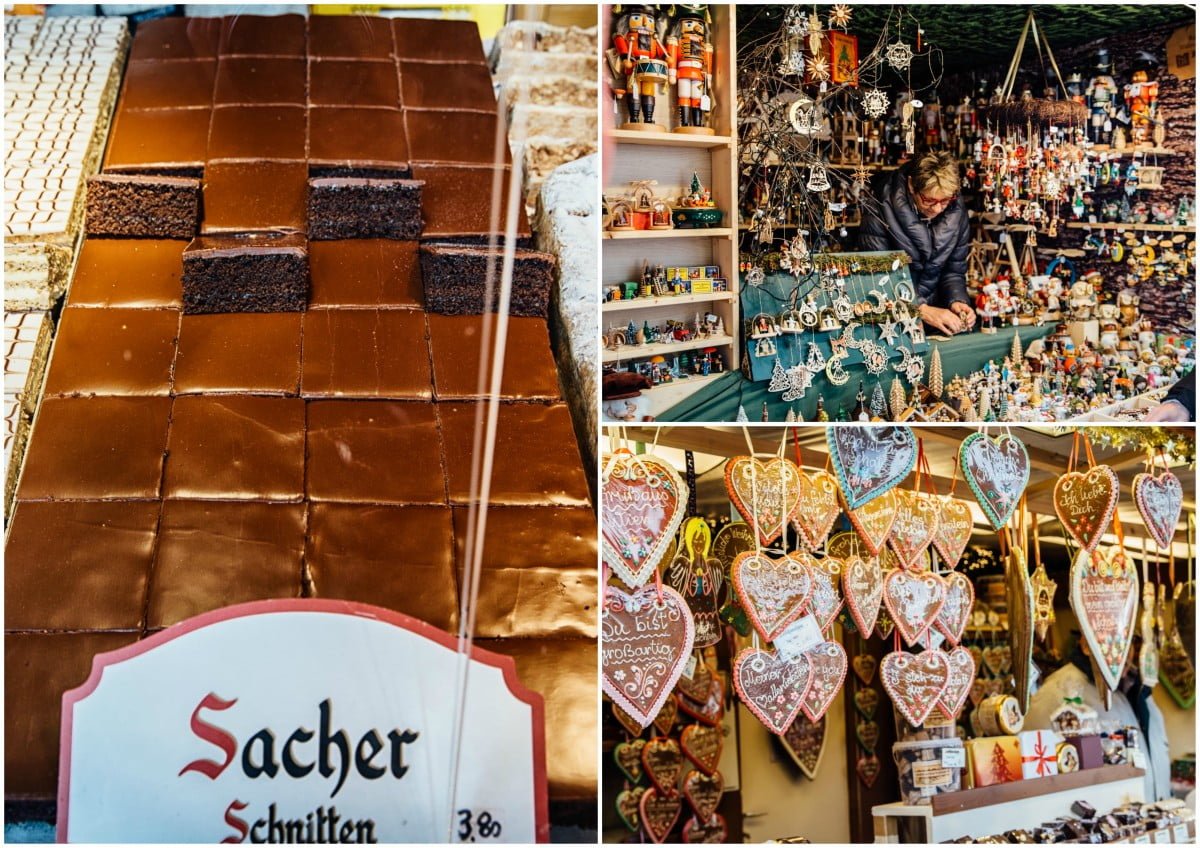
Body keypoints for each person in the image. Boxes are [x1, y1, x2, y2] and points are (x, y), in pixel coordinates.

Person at [1025, 634, 1170, 802]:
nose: (1123, 651)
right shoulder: (1058, 691)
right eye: (1112, 638)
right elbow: (1037, 771)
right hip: (1104, 821)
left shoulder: (1132, 688)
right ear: (1086, 642)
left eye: (1128, 640)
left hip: (1154, 818)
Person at [858, 151, 977, 336]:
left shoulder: (957, 210)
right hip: (890, 322)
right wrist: (921, 309)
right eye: (929, 200)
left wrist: (957, 300)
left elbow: (953, 271)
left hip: (937, 319)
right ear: (912, 185)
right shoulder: (880, 205)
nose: (937, 208)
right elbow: (878, 276)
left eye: (945, 201)